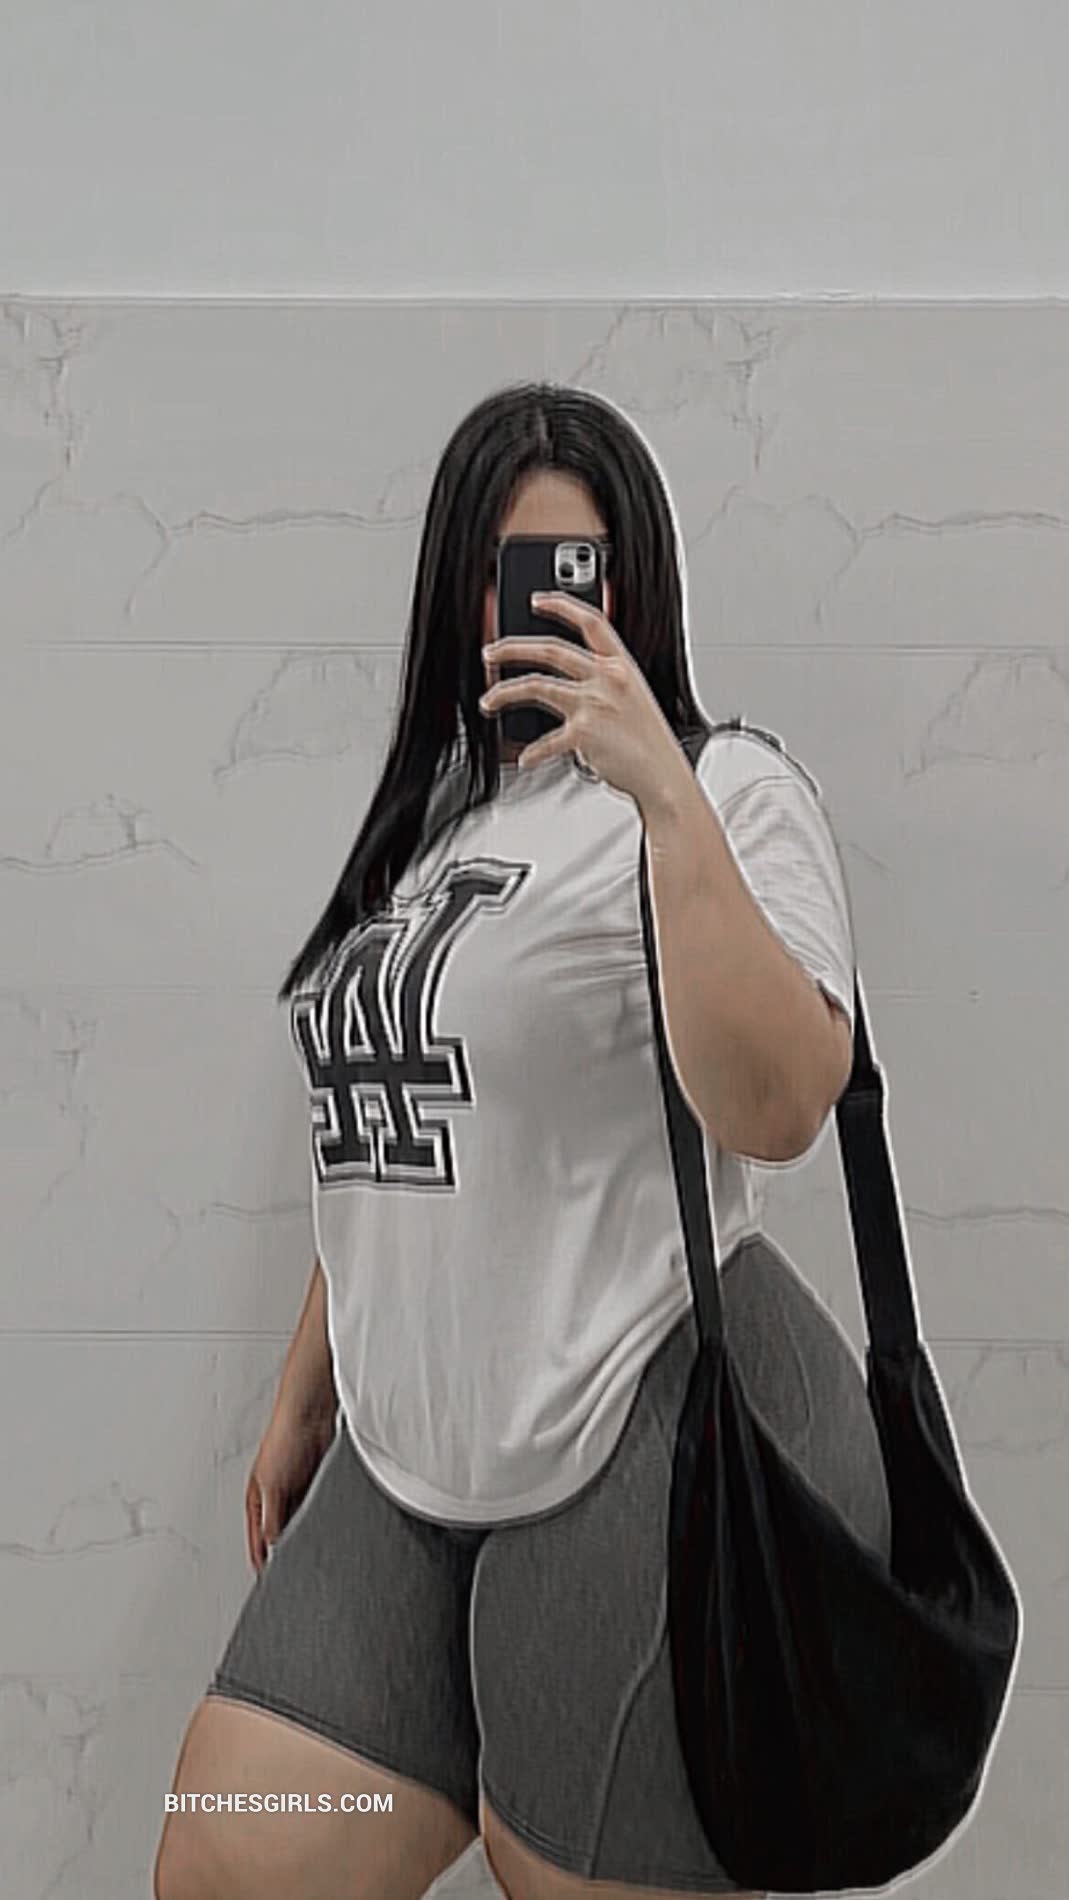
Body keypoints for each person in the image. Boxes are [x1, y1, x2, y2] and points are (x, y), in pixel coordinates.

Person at [154, 384, 892, 1900]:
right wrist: (305, 1392)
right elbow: (405, 1136)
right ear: (457, 594)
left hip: (638, 1411)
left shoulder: (730, 787)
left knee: (558, 1869)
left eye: (581, 573)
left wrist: (661, 791)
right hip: (411, 1452)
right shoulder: (435, 825)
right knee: (232, 1859)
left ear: (639, 587)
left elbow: (779, 1105)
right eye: (512, 575)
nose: (548, 611)